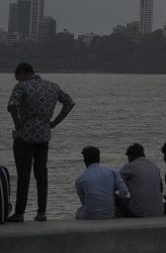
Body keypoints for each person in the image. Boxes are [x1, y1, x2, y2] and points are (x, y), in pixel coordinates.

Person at [6, 63, 74, 222]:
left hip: (25, 136)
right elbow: (69, 103)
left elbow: (12, 106)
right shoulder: (53, 86)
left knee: (24, 175)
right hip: (44, 135)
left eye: (17, 78)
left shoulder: (22, 86)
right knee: (41, 174)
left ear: (22, 73)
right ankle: (41, 212)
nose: (17, 81)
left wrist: (18, 123)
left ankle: (19, 213)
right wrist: (55, 122)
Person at [74, 146, 129, 220]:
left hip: (90, 215)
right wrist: (114, 197)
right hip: (110, 213)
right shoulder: (111, 172)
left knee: (78, 212)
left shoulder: (80, 179)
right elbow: (124, 191)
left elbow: (84, 202)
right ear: (99, 158)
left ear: (85, 160)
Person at [118, 143, 164, 218]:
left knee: (117, 199)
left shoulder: (130, 166)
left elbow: (116, 182)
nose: (128, 160)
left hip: (140, 212)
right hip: (159, 211)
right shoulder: (154, 166)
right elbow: (161, 189)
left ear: (131, 156)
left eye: (128, 157)